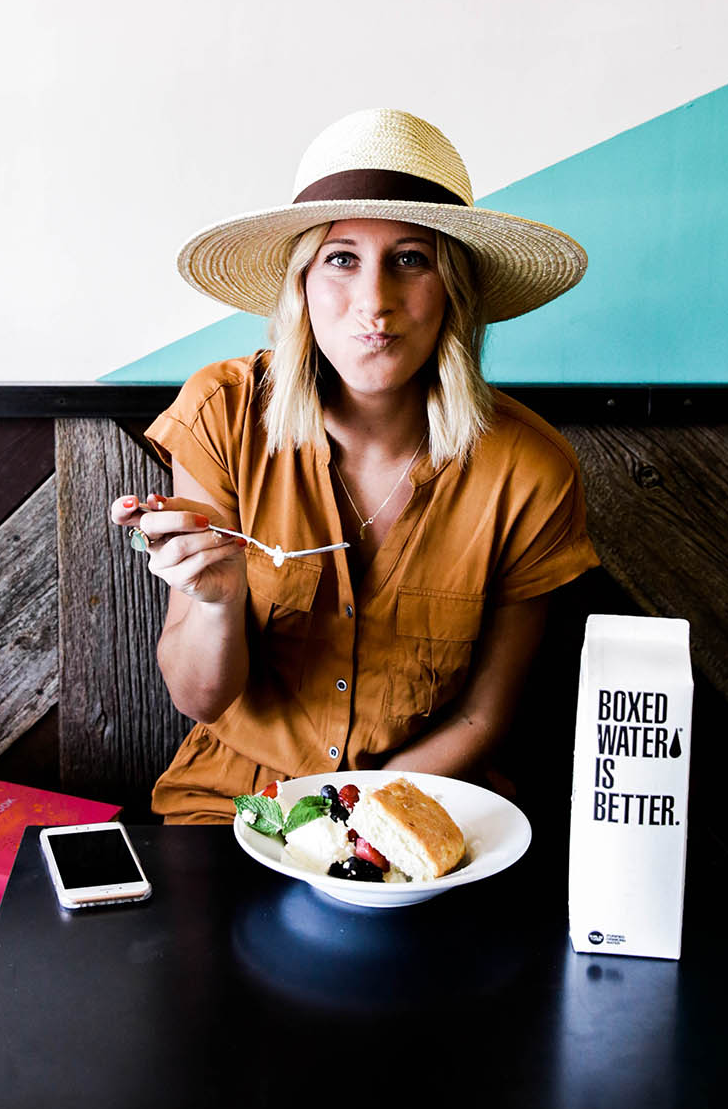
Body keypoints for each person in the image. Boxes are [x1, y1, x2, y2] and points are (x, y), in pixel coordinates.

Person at [112, 107, 599, 822]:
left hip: (419, 807)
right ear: (302, 286)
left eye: (410, 259)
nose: (375, 303)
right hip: (234, 810)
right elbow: (198, 697)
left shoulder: (530, 470)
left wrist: (354, 828)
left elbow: (482, 720)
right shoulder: (222, 414)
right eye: (342, 258)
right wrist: (215, 598)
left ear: (454, 292)